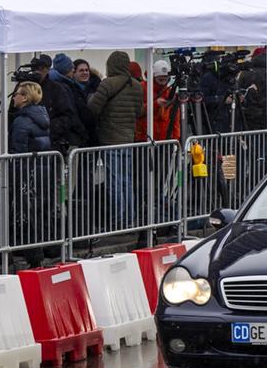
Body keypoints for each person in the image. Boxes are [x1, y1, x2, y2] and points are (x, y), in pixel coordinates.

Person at [89, 51, 144, 233]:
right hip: (128, 138)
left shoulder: (107, 84)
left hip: (110, 138)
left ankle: (117, 221)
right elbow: (139, 112)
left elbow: (93, 108)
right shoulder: (136, 85)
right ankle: (130, 219)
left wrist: (90, 98)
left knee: (114, 181)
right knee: (127, 180)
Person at [8, 82, 53, 269]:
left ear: (25, 97)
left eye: (17, 94)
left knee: (26, 214)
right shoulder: (43, 116)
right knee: (39, 212)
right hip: (42, 170)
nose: (14, 97)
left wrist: (13, 174)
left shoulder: (21, 121)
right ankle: (39, 252)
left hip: (27, 172)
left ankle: (33, 256)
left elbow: (18, 151)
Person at [30, 55, 87, 153]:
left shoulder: (58, 88)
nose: (37, 72)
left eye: (41, 68)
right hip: (33, 143)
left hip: (54, 143)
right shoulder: (25, 87)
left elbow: (68, 115)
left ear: (48, 69)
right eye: (35, 68)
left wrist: (50, 129)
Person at [55, 53, 99, 147]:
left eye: (87, 70)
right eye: (81, 70)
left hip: (92, 134)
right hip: (79, 134)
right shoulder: (69, 88)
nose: (85, 73)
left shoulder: (97, 87)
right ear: (74, 73)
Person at [143, 59, 181, 140]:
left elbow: (175, 118)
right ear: (153, 77)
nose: (163, 83)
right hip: (145, 137)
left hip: (165, 138)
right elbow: (138, 111)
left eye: (166, 79)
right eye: (160, 80)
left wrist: (176, 139)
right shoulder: (143, 88)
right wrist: (155, 104)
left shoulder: (170, 92)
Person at [199, 51, 236, 134]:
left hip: (227, 118)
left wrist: (238, 97)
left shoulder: (228, 77)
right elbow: (202, 99)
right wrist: (221, 99)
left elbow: (233, 91)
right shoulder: (207, 77)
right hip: (212, 119)